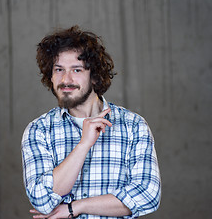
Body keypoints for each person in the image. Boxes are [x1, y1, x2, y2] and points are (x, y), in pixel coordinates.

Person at [21, 26, 161, 218]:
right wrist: (83, 144)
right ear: (50, 76)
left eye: (76, 70)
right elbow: (42, 200)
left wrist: (75, 207)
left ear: (94, 76)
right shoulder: (39, 130)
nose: (66, 79)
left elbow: (147, 195)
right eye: (59, 70)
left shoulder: (133, 126)